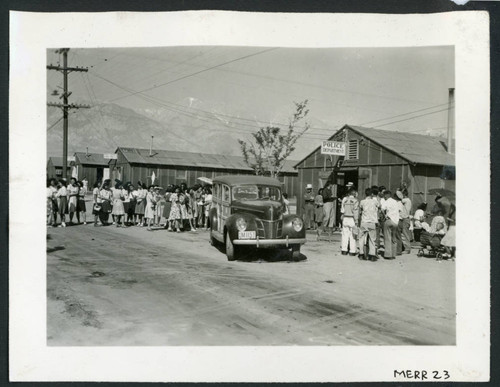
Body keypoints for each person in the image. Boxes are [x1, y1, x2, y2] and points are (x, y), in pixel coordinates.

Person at [358, 187, 380, 261]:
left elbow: (360, 210)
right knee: (372, 239)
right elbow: (379, 207)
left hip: (364, 222)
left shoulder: (362, 202)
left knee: (361, 238)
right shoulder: (375, 202)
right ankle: (372, 255)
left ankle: (361, 253)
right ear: (372, 194)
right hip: (372, 222)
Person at [340, 187, 359, 256]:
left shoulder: (344, 200)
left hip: (345, 218)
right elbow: (355, 211)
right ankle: (352, 250)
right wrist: (356, 221)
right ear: (354, 193)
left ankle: (344, 250)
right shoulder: (355, 201)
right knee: (353, 235)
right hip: (352, 219)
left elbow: (342, 210)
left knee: (345, 234)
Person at [381, 190, 399, 259]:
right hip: (395, 222)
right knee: (394, 237)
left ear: (386, 195)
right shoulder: (395, 202)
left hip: (389, 220)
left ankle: (388, 254)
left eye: (384, 196)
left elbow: (382, 209)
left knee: (387, 238)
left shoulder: (386, 201)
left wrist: (385, 215)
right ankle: (394, 254)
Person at [398, 189, 412, 254]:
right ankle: (406, 247)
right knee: (404, 234)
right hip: (406, 218)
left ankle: (407, 248)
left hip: (405, 219)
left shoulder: (406, 200)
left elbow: (399, 197)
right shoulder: (408, 201)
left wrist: (399, 191)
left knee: (405, 234)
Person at [375, 186, 386, 253]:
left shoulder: (384, 199)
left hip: (383, 216)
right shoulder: (376, 199)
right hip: (378, 216)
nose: (384, 193)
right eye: (383, 192)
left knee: (384, 231)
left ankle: (385, 244)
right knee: (377, 231)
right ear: (379, 192)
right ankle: (377, 244)